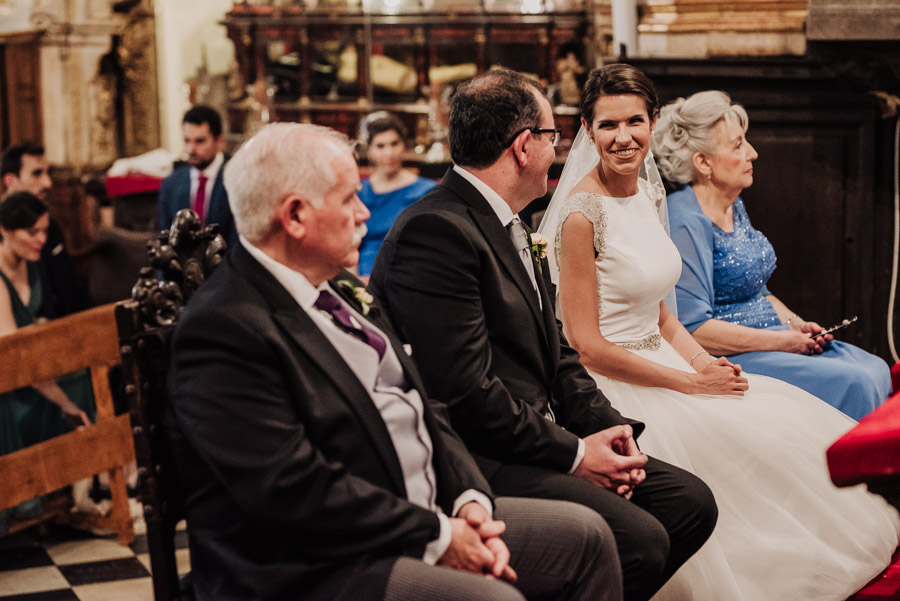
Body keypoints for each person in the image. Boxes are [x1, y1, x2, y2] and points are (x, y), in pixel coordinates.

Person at [167, 122, 623, 601]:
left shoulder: (340, 288)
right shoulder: (225, 329)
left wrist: (469, 500)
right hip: (317, 564)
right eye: (348, 199)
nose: (365, 213)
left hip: (421, 508)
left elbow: (424, 405)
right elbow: (290, 489)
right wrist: (439, 535)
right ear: (296, 215)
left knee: (586, 537)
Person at [539, 63, 900, 600]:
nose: (622, 138)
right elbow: (586, 345)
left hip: (670, 358)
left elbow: (664, 316)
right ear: (586, 131)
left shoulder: (648, 194)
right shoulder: (579, 216)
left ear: (653, 122)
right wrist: (688, 383)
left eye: (634, 121)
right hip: (613, 386)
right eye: (607, 125)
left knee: (779, 429)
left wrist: (704, 363)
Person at [369, 68, 717, 601]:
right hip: (482, 456)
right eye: (553, 136)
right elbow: (466, 393)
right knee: (640, 538)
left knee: (690, 503)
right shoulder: (436, 230)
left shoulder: (510, 222)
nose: (558, 151)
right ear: (523, 146)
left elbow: (557, 351)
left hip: (533, 432)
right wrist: (577, 455)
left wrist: (614, 432)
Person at [652, 90, 890, 420]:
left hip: (772, 338)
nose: (752, 153)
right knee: (857, 380)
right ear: (703, 162)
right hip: (731, 353)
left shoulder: (734, 204)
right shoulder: (685, 221)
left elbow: (757, 291)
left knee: (877, 368)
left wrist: (799, 325)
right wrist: (783, 342)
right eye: (737, 145)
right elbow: (694, 328)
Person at [0, 191, 94, 533]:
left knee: (82, 375)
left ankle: (74, 488)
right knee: (71, 394)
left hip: (30, 373)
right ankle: (37, 490)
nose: (42, 239)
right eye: (32, 232)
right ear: (5, 230)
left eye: (43, 230)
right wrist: (65, 404)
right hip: (9, 386)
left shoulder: (32, 263)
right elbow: (16, 363)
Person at [1, 143, 91, 318]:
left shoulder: (51, 227)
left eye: (47, 173)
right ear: (10, 182)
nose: (48, 183)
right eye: (37, 174)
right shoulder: (9, 238)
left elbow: (70, 289)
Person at [356, 111, 436, 278]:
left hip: (404, 276)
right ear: (369, 150)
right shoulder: (359, 191)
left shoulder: (425, 191)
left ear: (403, 145)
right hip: (361, 279)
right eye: (380, 146)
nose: (389, 153)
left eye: (394, 144)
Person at [157, 105, 237, 247]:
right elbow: (164, 241)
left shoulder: (236, 180)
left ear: (219, 142)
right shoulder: (171, 184)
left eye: (200, 141)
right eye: (187, 140)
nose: (191, 149)